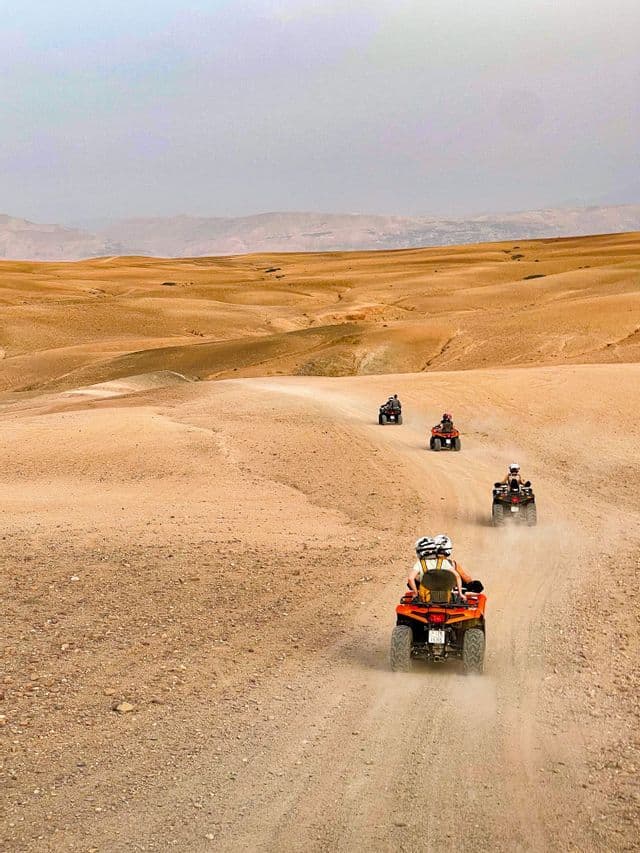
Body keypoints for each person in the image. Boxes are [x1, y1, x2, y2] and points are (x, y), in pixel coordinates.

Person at [407, 534, 471, 601]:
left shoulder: (420, 563)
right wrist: (460, 594)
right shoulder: (444, 562)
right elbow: (457, 576)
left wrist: (415, 593)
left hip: (425, 599)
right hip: (445, 599)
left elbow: (410, 578)